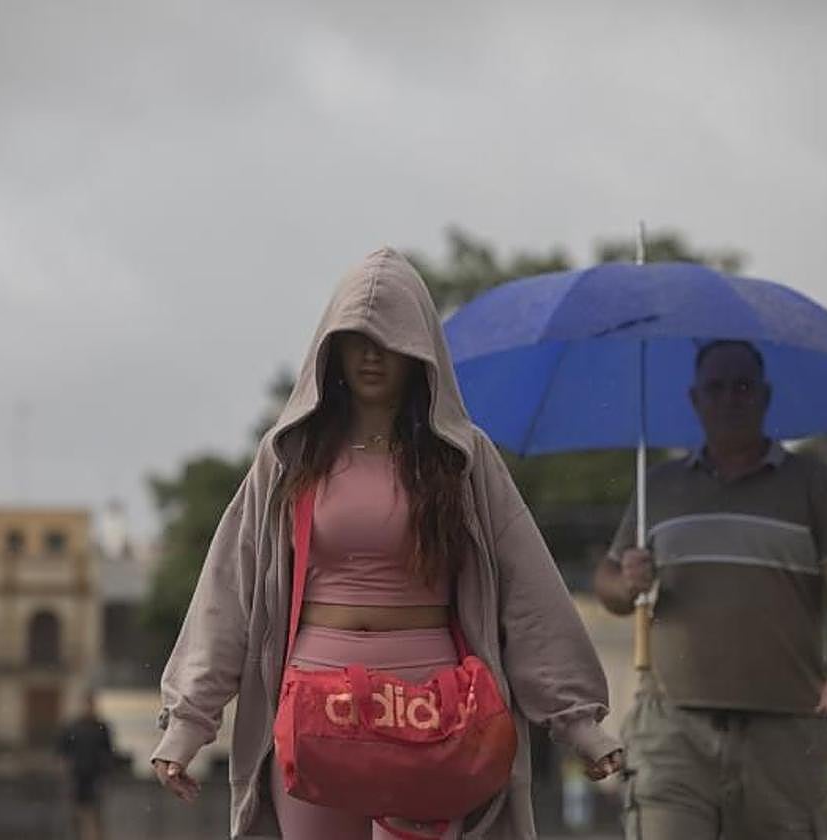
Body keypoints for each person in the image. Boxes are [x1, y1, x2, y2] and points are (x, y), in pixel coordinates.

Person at [150, 247, 623, 839]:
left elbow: (529, 596)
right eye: (355, 338)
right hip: (312, 708)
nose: (372, 354)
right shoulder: (289, 455)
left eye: (389, 338)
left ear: (420, 349)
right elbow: (229, 591)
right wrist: (188, 723)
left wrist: (578, 722)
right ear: (332, 348)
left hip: (431, 709)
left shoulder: (463, 459)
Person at [594, 339, 827, 839]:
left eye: (743, 385)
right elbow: (608, 584)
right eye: (716, 387)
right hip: (672, 727)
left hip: (785, 730)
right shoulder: (657, 486)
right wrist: (627, 581)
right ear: (694, 399)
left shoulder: (815, 485)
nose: (730, 398)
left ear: (765, 396)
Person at [58, 692, 116, 840]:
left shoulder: (101, 727)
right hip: (77, 775)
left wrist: (105, 774)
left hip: (95, 775)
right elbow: (63, 753)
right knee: (77, 813)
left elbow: (108, 752)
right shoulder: (72, 727)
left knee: (95, 812)